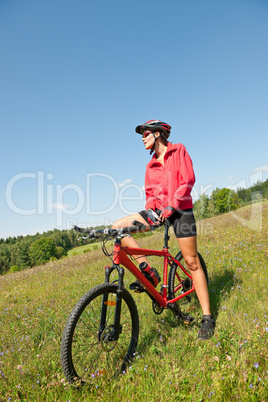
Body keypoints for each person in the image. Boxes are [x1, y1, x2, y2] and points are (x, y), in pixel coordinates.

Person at [112, 120, 215, 340]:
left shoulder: (178, 150)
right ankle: (147, 270)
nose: (142, 138)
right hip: (159, 212)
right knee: (118, 230)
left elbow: (188, 180)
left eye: (145, 134)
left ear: (158, 134)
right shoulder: (150, 166)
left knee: (192, 262)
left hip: (181, 211)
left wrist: (172, 205)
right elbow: (150, 194)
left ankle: (207, 317)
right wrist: (151, 209)